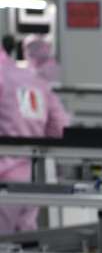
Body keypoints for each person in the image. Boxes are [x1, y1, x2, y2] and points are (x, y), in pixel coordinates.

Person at [0, 50, 70, 233]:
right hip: (31, 177)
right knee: (26, 243)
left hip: (3, 179)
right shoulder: (35, 80)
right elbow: (60, 128)